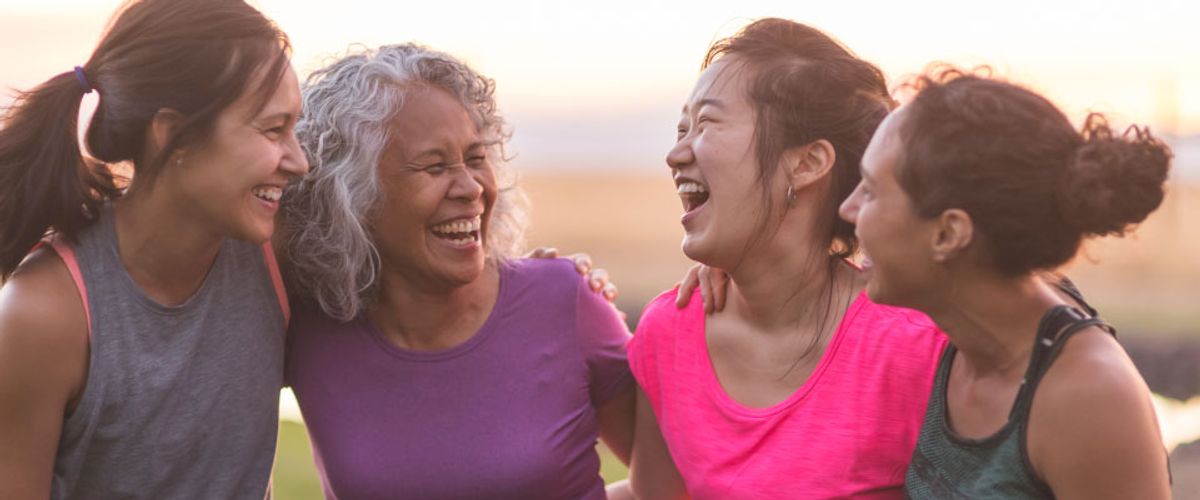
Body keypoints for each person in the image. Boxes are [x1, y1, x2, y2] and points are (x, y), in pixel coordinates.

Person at [281, 43, 635, 499]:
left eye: (475, 158)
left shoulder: (566, 298)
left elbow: (675, 480)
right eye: (434, 167)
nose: (471, 188)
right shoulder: (307, 324)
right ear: (352, 196)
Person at [618, 19, 948, 499]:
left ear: (807, 163)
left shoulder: (915, 346)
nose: (675, 154)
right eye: (681, 129)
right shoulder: (669, 331)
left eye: (706, 124)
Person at [0, 0, 307, 498]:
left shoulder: (280, 253)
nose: (299, 161)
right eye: (274, 130)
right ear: (171, 136)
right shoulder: (46, 313)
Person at [838, 67, 1172, 498]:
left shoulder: (1089, 398)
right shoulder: (962, 341)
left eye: (870, 191)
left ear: (948, 234)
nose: (848, 209)